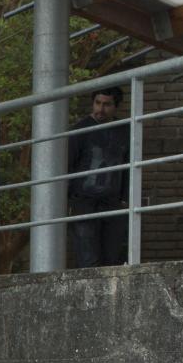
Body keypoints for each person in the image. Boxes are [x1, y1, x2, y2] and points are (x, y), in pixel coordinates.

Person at [66, 88, 131, 268]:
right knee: (88, 260)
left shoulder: (124, 130)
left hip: (112, 203)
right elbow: (68, 166)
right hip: (84, 203)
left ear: (116, 106)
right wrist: (70, 201)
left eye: (107, 104)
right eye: (98, 103)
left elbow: (128, 166)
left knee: (113, 258)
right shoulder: (80, 130)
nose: (100, 109)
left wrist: (125, 199)